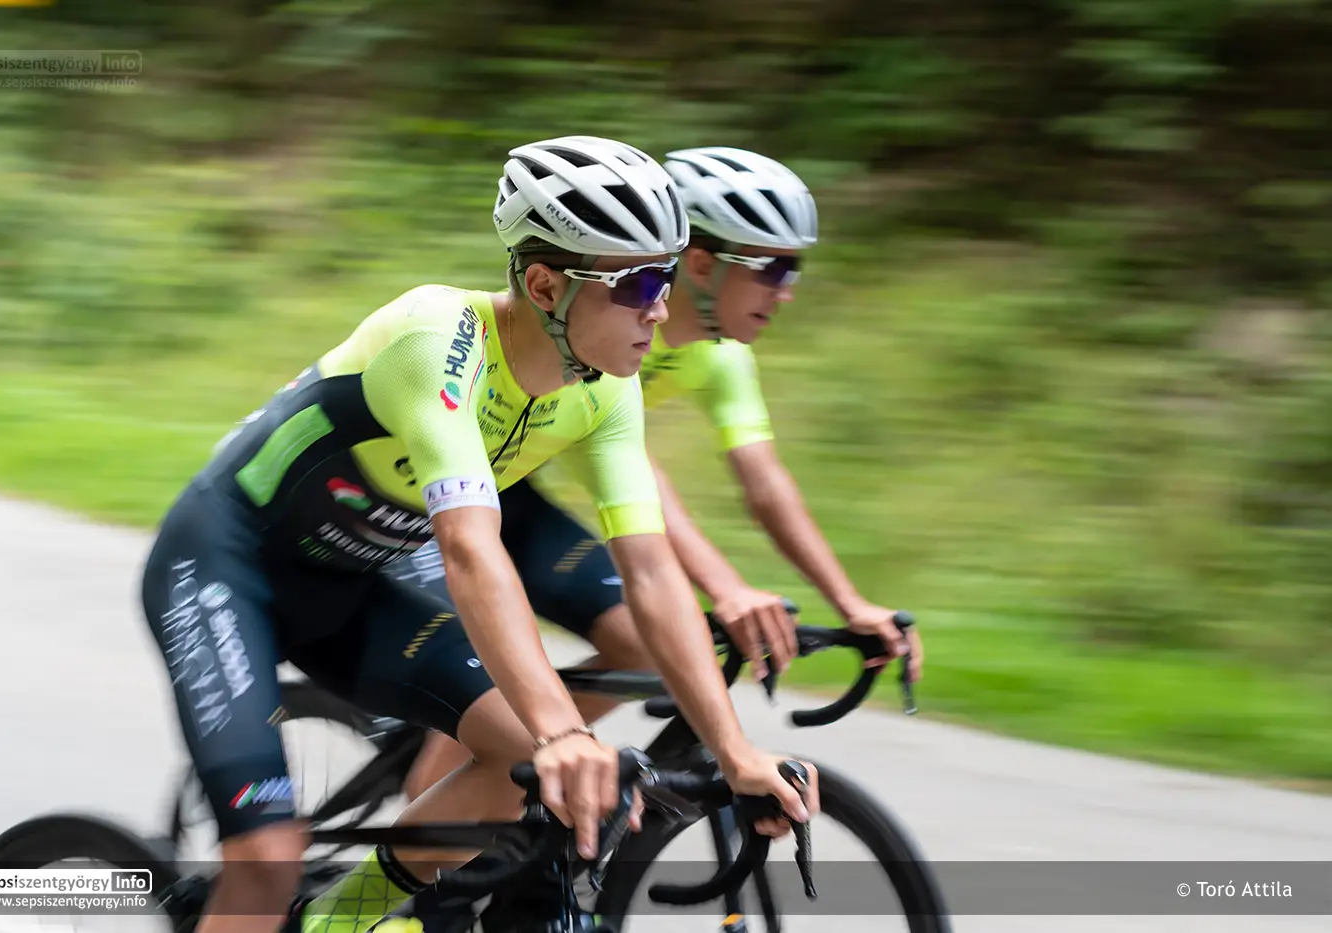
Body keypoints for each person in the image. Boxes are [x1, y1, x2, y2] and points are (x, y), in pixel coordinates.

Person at [138, 134, 817, 933]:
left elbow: (651, 571)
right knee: (266, 857)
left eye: (666, 279)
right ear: (545, 283)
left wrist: (735, 752)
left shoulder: (605, 391)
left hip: (351, 584)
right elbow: (467, 545)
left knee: (515, 761)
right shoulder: (436, 340)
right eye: (638, 283)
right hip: (227, 569)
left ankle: (335, 922)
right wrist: (562, 730)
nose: (660, 310)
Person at [399, 146, 923, 813]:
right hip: (446, 491)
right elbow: (637, 477)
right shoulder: (598, 326)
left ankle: (514, 773)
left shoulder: (718, 357)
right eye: (774, 268)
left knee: (643, 645)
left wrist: (850, 603)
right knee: (499, 688)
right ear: (704, 263)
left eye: (795, 269)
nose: (787, 290)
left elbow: (763, 483)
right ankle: (450, 797)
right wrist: (726, 588)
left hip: (517, 486)